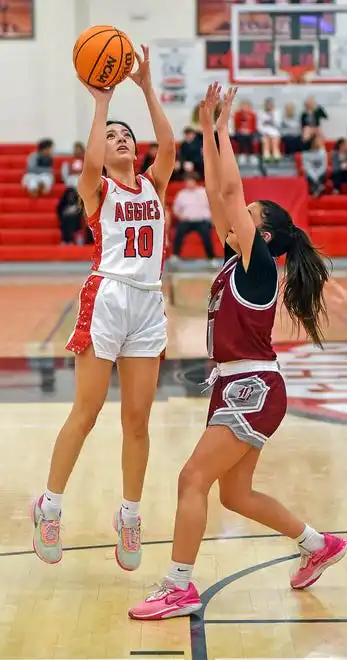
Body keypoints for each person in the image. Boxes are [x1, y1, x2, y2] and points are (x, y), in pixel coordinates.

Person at [129, 83, 346, 620]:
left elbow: (227, 191)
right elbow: (219, 191)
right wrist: (209, 129)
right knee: (234, 495)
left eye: (249, 214)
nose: (234, 214)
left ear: (263, 233)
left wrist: (218, 128)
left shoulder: (257, 265)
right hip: (239, 385)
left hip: (250, 387)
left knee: (192, 481)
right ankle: (318, 543)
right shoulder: (238, 262)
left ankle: (180, 585)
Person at [31, 46, 175, 570]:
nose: (121, 139)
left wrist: (147, 90)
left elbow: (172, 146)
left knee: (137, 420)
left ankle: (130, 517)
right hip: (107, 298)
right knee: (87, 412)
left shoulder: (154, 185)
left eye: (126, 135)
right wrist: (102, 102)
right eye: (114, 135)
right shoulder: (99, 189)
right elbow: (91, 160)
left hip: (148, 305)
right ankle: (50, 505)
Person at [172, 173, 216, 263]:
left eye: (191, 181)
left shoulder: (203, 192)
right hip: (187, 221)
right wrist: (181, 216)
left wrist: (213, 220)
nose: (189, 183)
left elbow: (213, 206)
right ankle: (175, 255)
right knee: (179, 231)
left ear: (195, 182)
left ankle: (211, 257)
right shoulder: (182, 194)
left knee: (206, 233)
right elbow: (176, 209)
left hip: (202, 221)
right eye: (187, 181)